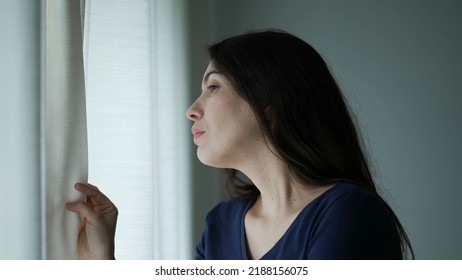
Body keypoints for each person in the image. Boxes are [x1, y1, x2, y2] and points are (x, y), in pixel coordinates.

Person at [67, 29, 414, 260]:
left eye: (213, 87)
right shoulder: (220, 224)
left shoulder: (347, 213)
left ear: (269, 104)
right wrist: (103, 261)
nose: (191, 110)